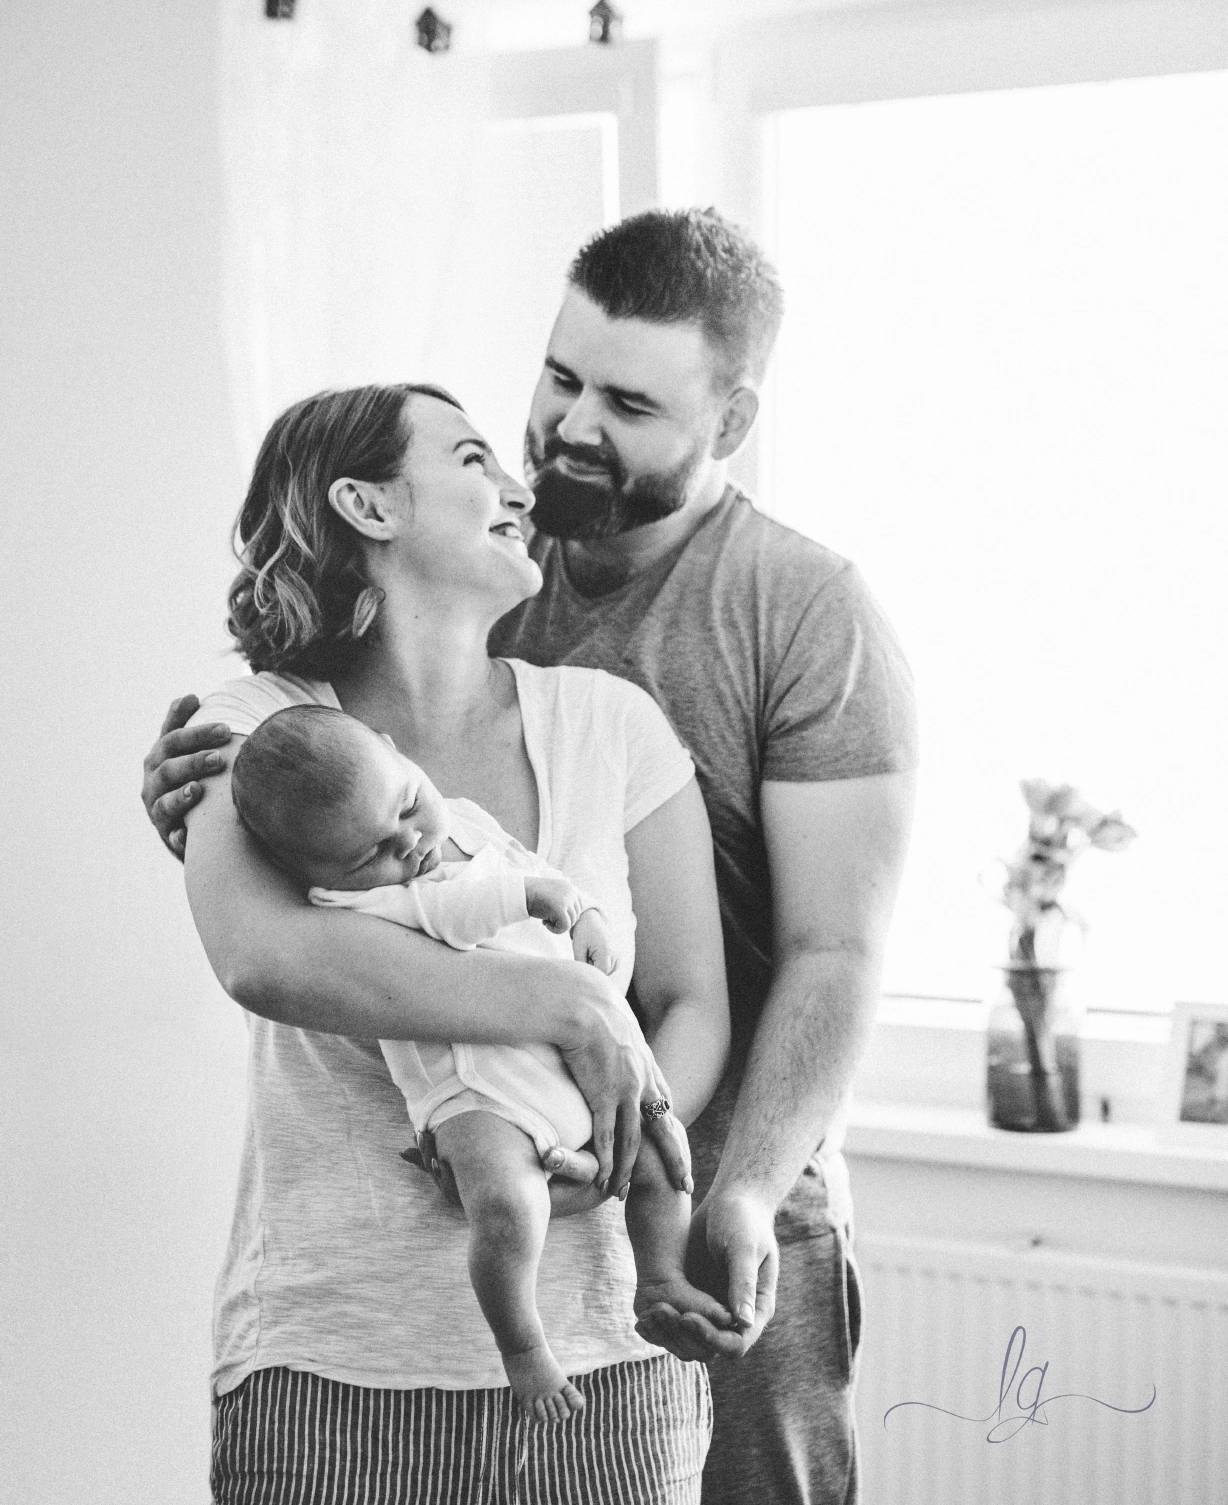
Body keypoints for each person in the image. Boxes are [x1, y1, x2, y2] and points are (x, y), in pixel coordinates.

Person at [145, 208, 919, 1504]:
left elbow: (831, 950)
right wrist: (226, 790)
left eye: (628, 404)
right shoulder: (492, 556)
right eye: (560, 378)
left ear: (728, 422)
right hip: (358, 1312)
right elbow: (275, 905)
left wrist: (728, 1183)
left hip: (711, 1186)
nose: (561, 436)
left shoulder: (799, 613)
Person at [166, 379, 732, 1502]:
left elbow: (690, 1001)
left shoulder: (611, 723)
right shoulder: (251, 728)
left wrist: (609, 1144)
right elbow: (265, 959)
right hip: (330, 1373)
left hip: (607, 1360)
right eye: (475, 461)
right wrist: (569, 1006)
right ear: (368, 506)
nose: (520, 490)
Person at [228, 701, 726, 1422]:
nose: (410, 844)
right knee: (507, 1210)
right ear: (318, 875)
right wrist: (535, 897)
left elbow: (529, 865)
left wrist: (583, 911)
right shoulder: (357, 900)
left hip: (561, 1070)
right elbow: (455, 915)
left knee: (657, 1158)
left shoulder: (462, 819)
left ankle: (660, 1279)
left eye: (408, 805)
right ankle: (523, 1345)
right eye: (372, 853)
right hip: (473, 1094)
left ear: (397, 751)